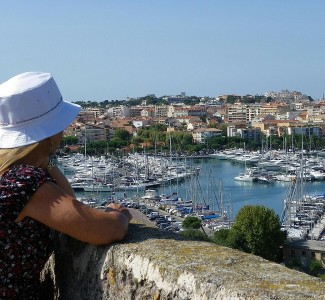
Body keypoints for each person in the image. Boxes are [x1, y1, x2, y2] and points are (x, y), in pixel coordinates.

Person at [0, 72, 132, 299]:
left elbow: (69, 203)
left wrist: (45, 158)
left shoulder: (10, 176)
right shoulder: (24, 182)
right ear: (52, 133)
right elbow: (106, 230)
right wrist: (119, 215)